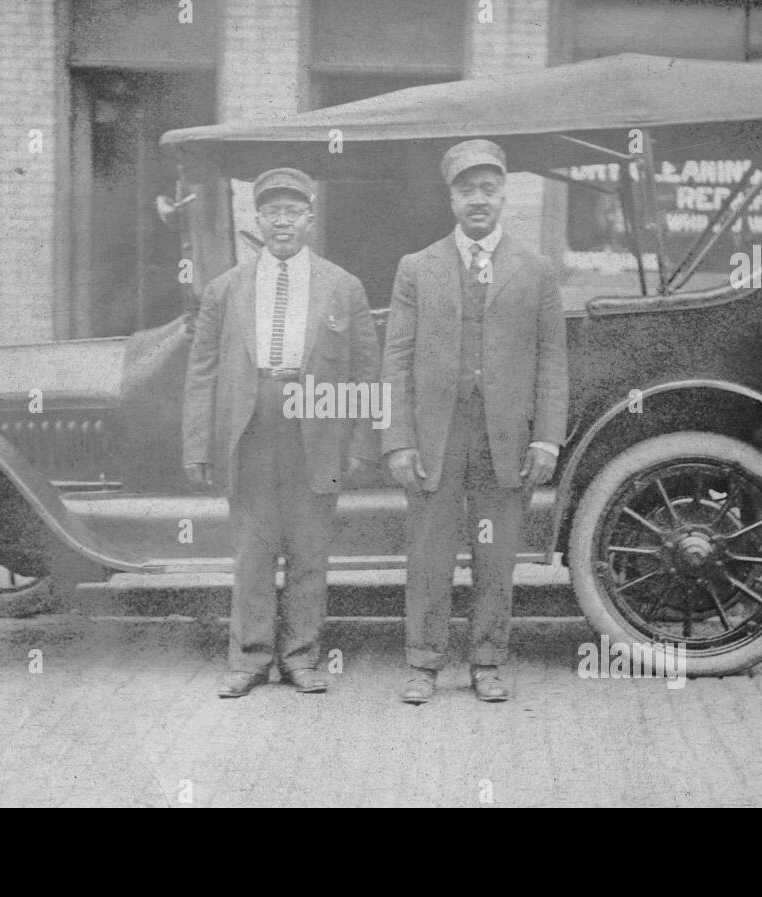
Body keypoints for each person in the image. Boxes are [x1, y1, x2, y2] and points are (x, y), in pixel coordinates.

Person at [381, 140, 569, 704]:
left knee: (496, 552)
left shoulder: (536, 270)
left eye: (488, 188)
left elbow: (552, 359)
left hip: (505, 439)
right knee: (429, 553)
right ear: (452, 198)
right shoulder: (417, 268)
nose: (478, 200)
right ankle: (424, 663)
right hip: (437, 436)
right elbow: (397, 358)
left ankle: (488, 661)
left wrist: (547, 438)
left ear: (504, 193)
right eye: (467, 190)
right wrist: (397, 441)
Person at [183, 167, 381, 698]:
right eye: (273, 212)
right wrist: (199, 444)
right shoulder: (226, 289)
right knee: (253, 547)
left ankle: (300, 657)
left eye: (293, 212)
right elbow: (202, 370)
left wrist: (362, 445)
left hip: (317, 427)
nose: (283, 222)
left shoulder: (344, 287)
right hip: (250, 429)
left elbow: (367, 371)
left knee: (309, 547)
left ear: (310, 220)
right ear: (258, 220)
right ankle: (249, 659)